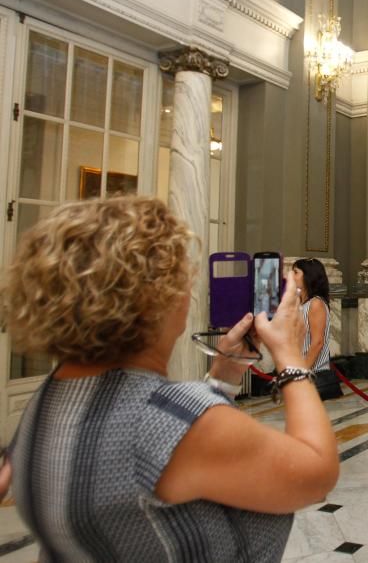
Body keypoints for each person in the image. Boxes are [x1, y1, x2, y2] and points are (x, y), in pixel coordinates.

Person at [0, 197, 339, 561]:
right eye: (181, 281)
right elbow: (316, 473)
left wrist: (222, 378)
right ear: (152, 301)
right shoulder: (172, 422)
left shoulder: (46, 401)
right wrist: (288, 357)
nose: (188, 293)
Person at [292, 257, 342, 400]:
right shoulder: (300, 303)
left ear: (307, 276)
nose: (291, 276)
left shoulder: (316, 304)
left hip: (312, 373)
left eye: (295, 272)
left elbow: (317, 342)